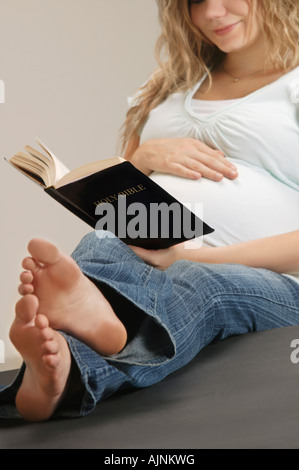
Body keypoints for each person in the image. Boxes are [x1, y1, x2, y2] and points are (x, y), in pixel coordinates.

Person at [1, 0, 299, 422]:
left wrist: (187, 256)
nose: (213, 13)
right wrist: (143, 158)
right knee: (103, 240)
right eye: (196, 2)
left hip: (280, 285)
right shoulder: (170, 88)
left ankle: (65, 369)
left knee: (197, 283)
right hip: (153, 255)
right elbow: (122, 189)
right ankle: (65, 358)